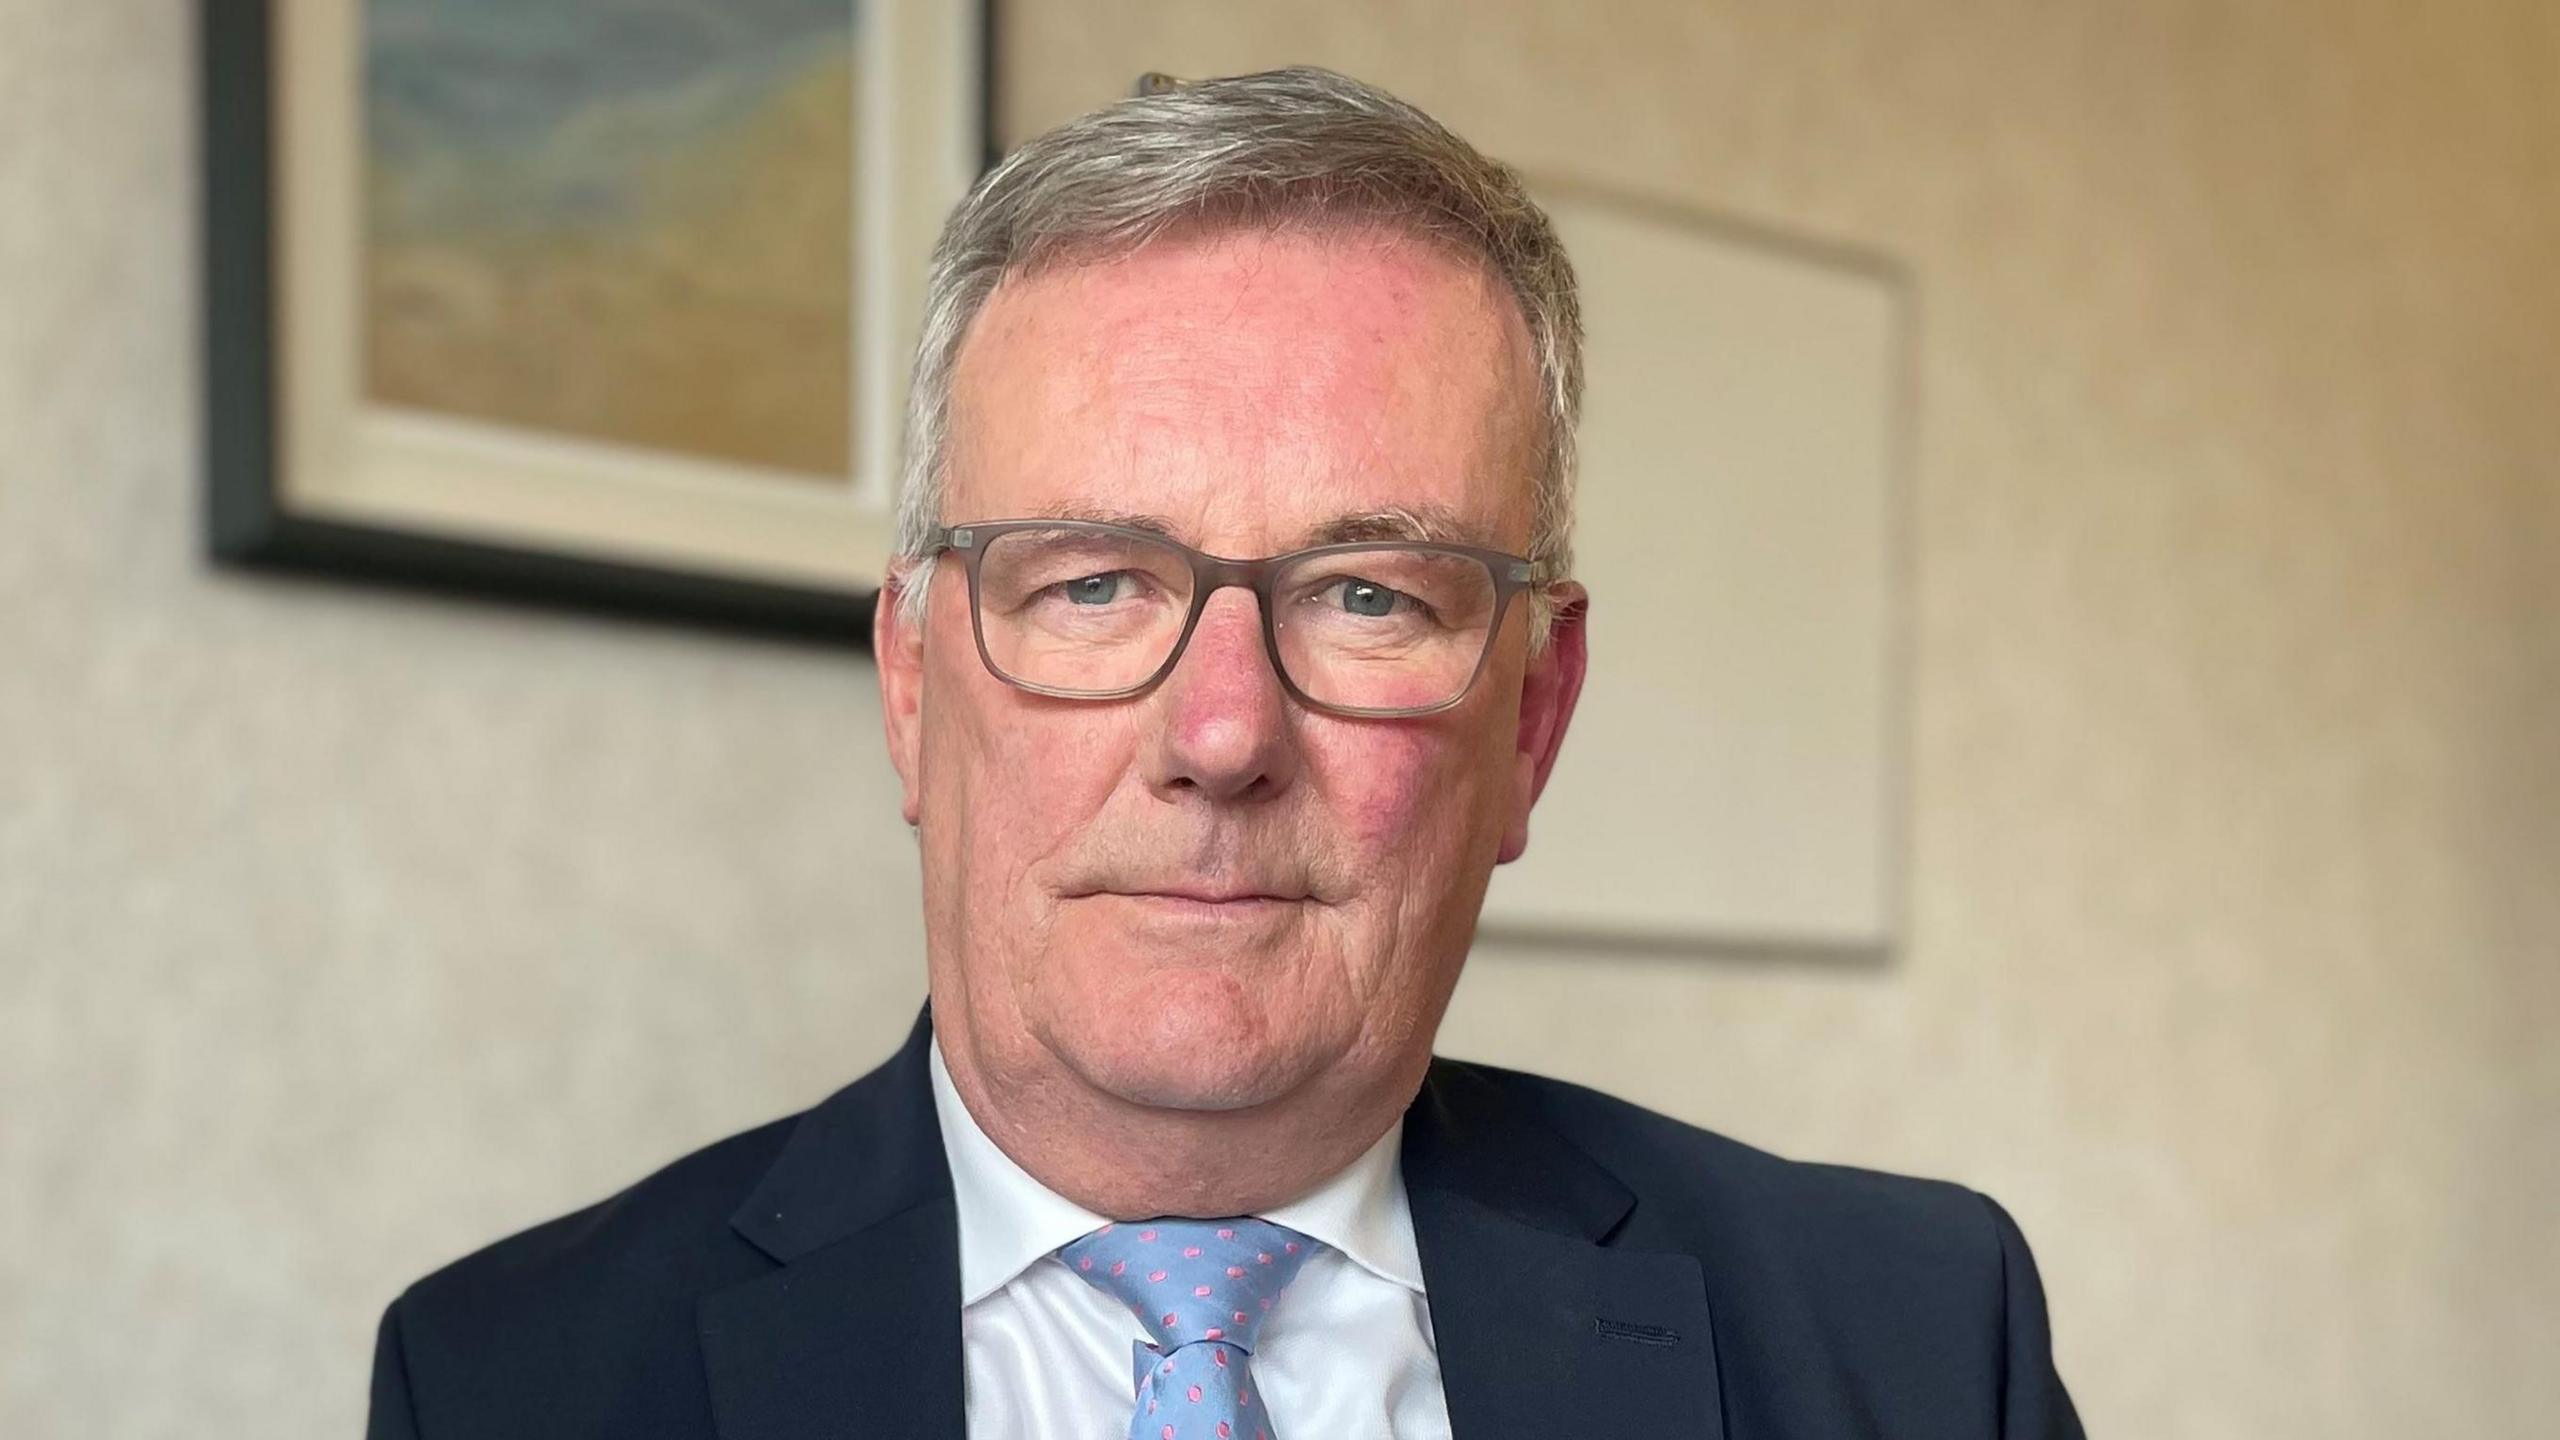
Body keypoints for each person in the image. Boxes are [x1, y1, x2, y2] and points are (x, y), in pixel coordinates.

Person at [366, 67, 2082, 1440]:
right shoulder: (515, 1383)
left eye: (1366, 598)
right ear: (909, 684)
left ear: (1531, 728)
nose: (1223, 733)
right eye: (1096, 583)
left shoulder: (1914, 1346)